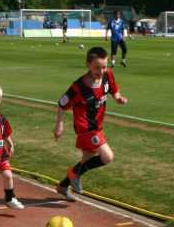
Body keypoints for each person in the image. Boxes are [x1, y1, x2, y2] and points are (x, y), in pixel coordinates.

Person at [53, 46, 128, 200]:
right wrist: (59, 125)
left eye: (104, 67)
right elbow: (62, 104)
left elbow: (114, 90)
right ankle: (73, 174)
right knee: (107, 157)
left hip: (97, 127)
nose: (101, 71)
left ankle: (63, 185)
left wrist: (118, 98)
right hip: (85, 128)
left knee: (87, 159)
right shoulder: (78, 87)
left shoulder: (107, 76)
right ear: (88, 65)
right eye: (97, 68)